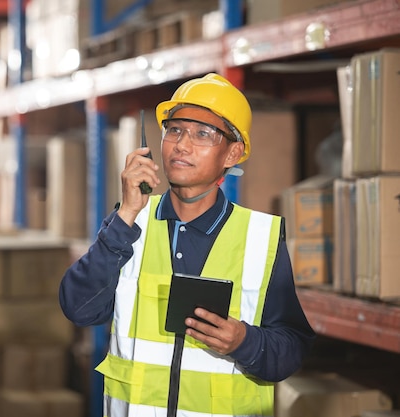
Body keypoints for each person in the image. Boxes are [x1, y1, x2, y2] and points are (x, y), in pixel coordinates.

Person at [59, 73, 316, 417]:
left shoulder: (260, 237)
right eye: (174, 130)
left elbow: (290, 350)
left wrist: (244, 342)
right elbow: (79, 308)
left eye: (202, 134)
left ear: (233, 153)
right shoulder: (130, 223)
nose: (182, 144)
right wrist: (126, 216)